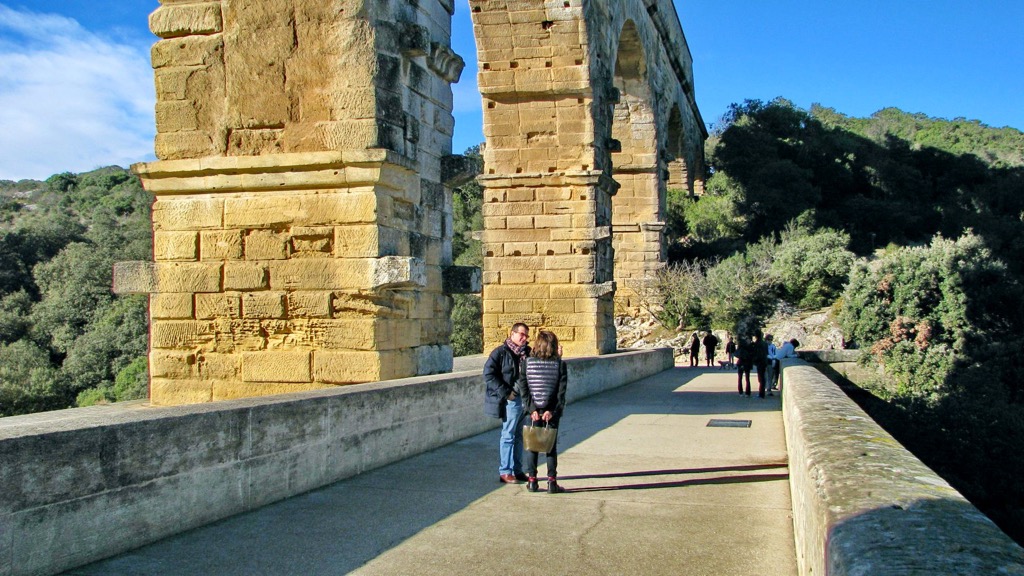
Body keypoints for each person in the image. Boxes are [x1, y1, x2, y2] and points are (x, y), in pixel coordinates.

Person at [516, 330, 568, 494]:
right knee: (550, 447)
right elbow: (561, 392)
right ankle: (552, 483)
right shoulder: (559, 364)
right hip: (550, 411)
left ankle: (532, 481)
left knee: (533, 446)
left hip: (534, 412)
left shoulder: (527, 363)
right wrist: (552, 410)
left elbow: (524, 388)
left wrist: (531, 409)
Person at [483, 322, 530, 484]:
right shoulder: (500, 352)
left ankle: (517, 470)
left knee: (519, 437)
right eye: (521, 334)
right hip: (511, 400)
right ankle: (505, 471)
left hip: (524, 399)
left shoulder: (527, 352)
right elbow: (488, 374)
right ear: (512, 334)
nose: (524, 338)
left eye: (526, 336)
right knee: (508, 436)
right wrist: (506, 393)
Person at [752, 330, 770, 398]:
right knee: (762, 378)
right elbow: (766, 353)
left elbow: (757, 354)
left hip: (760, 362)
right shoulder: (764, 343)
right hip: (764, 361)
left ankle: (761, 394)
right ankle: (762, 393)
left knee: (761, 378)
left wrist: (754, 361)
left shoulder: (758, 343)